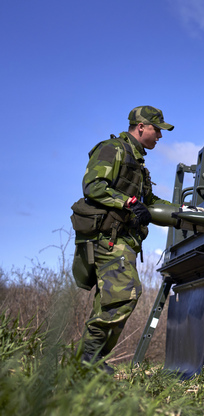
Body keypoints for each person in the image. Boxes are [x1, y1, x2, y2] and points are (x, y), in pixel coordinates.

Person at [70, 105, 176, 374]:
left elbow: (149, 202)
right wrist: (127, 203)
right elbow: (93, 186)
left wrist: (181, 211)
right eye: (157, 130)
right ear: (141, 126)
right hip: (108, 237)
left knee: (116, 297)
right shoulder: (113, 149)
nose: (160, 137)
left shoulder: (139, 163)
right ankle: (87, 363)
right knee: (124, 294)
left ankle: (85, 365)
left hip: (123, 240)